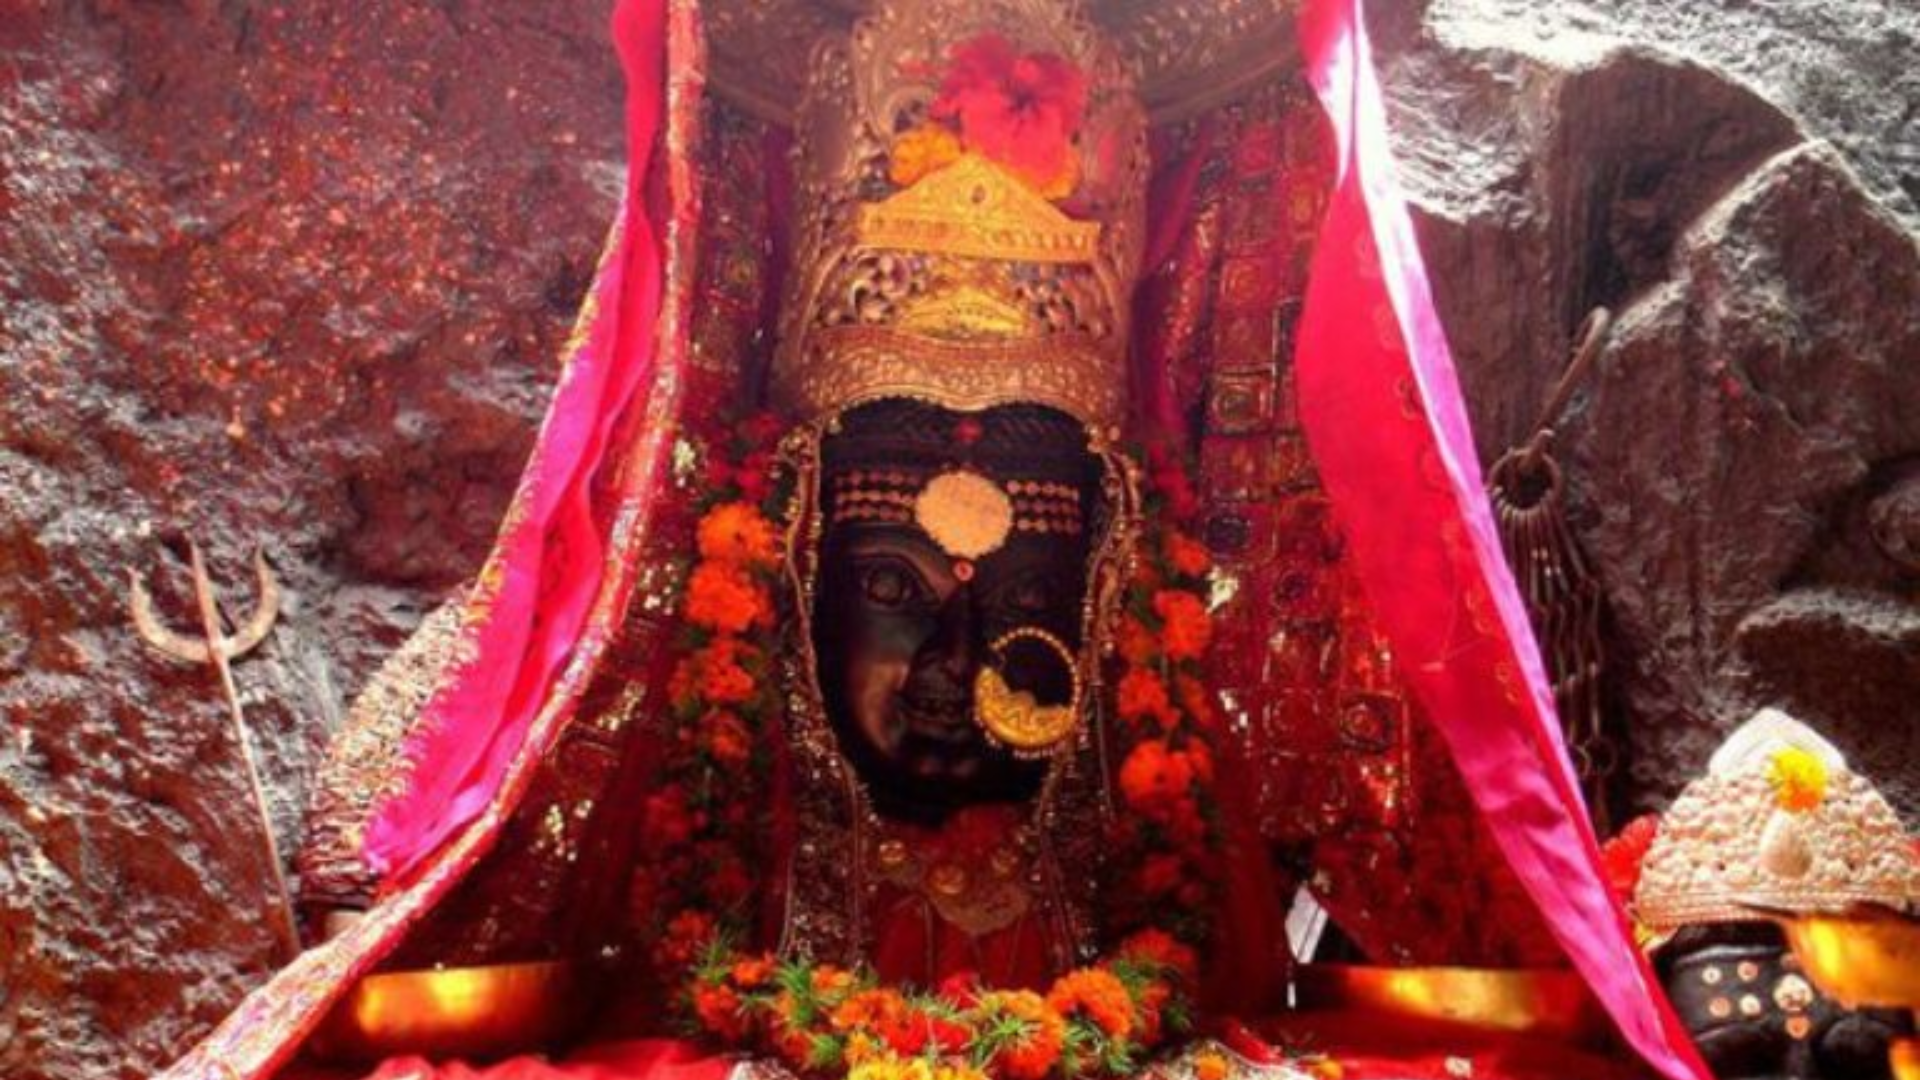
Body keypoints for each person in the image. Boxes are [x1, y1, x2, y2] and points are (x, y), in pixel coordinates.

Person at [158, 2, 1710, 1079]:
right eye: (892, 588)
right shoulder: (684, 853)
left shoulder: (1184, 831)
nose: (964, 655)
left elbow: (1483, 945)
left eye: (1032, 587)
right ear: (771, 585)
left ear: (1122, 611)